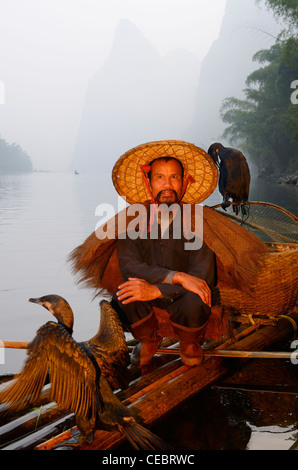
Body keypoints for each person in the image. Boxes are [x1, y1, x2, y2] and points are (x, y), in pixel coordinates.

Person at [111, 141, 218, 370]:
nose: (167, 184)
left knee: (199, 295)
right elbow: (131, 267)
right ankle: (149, 339)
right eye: (160, 177)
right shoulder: (132, 220)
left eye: (174, 178)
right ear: (149, 182)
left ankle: (189, 343)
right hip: (160, 288)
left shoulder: (198, 221)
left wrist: (161, 288)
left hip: (184, 295)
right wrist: (176, 276)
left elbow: (202, 275)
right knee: (123, 294)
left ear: (184, 182)